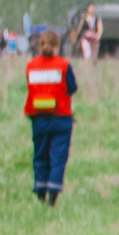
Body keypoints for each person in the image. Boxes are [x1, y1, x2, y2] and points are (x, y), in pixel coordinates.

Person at [23, 29, 79, 205]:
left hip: (38, 119)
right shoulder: (63, 65)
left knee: (40, 155)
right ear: (57, 46)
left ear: (39, 45)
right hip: (60, 118)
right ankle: (53, 195)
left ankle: (40, 192)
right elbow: (72, 87)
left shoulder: (31, 66)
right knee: (58, 156)